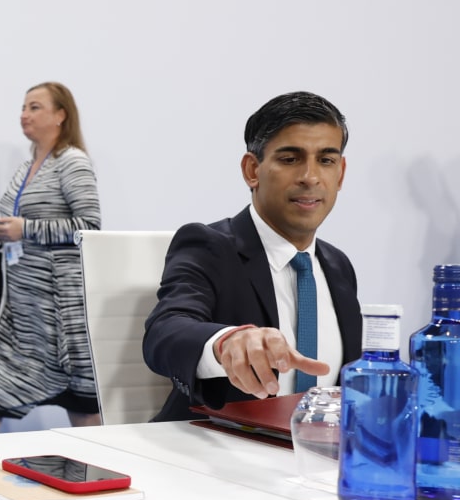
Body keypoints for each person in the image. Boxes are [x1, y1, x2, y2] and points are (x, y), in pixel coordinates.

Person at [143, 91, 362, 422]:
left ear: (341, 173)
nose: (310, 177)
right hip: (211, 453)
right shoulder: (208, 245)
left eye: (326, 160)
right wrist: (225, 342)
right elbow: (165, 332)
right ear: (252, 170)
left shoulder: (338, 266)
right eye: (290, 159)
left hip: (315, 462)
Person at [0, 82, 103, 433]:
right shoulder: (27, 167)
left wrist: (28, 229)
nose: (24, 115)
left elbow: (90, 225)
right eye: (23, 107)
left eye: (35, 107)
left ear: (61, 115)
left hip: (58, 311)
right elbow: (14, 228)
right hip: (23, 309)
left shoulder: (72, 162)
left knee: (81, 401)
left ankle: (108, 470)